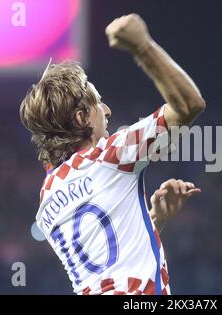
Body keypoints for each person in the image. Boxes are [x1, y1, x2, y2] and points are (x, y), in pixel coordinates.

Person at [19, 13, 205, 295]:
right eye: (98, 102)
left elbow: (108, 258)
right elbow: (189, 105)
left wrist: (155, 218)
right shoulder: (111, 155)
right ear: (81, 117)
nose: (107, 111)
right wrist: (142, 46)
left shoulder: (48, 196)